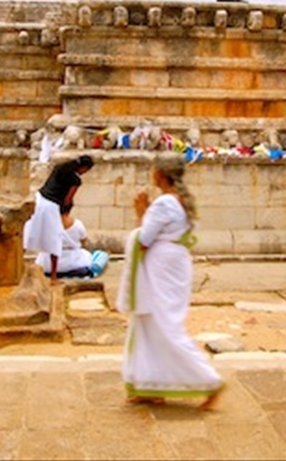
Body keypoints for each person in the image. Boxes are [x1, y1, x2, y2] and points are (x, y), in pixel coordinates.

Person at [116, 154, 223, 410]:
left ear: (160, 175)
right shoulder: (176, 201)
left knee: (165, 327)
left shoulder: (165, 203)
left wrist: (141, 213)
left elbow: (144, 239)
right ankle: (151, 386)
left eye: (154, 169)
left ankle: (210, 381)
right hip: (170, 266)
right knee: (149, 326)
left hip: (161, 269)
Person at [23, 155, 94, 284]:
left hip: (40, 199)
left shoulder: (59, 168)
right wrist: (65, 212)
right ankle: (54, 277)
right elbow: (67, 199)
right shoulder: (75, 180)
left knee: (29, 232)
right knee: (54, 240)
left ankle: (18, 265)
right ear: (84, 168)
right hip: (51, 205)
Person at [34, 203, 109, 278]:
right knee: (99, 255)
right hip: (73, 263)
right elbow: (83, 241)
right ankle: (89, 272)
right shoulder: (77, 225)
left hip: (48, 265)